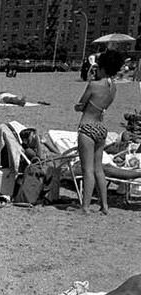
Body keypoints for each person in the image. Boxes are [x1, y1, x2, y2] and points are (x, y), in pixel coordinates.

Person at [75, 49, 126, 214]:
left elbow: (81, 105)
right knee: (98, 168)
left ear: (103, 67)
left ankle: (85, 207)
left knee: (87, 169)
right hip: (102, 128)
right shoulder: (113, 88)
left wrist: (79, 106)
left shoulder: (94, 84)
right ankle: (104, 205)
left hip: (87, 126)